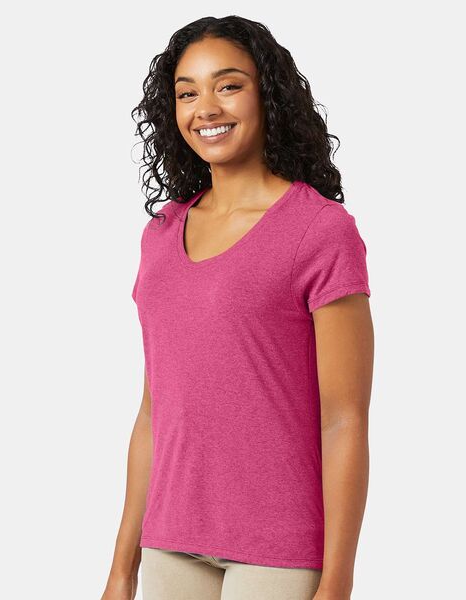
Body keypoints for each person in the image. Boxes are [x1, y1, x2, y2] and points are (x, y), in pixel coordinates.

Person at [100, 15, 374, 600]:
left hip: (280, 549)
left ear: (267, 94)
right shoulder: (161, 234)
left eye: (228, 86)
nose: (207, 108)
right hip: (170, 540)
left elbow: (345, 419)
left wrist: (338, 582)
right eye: (187, 93)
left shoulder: (320, 231)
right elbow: (153, 412)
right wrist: (122, 569)